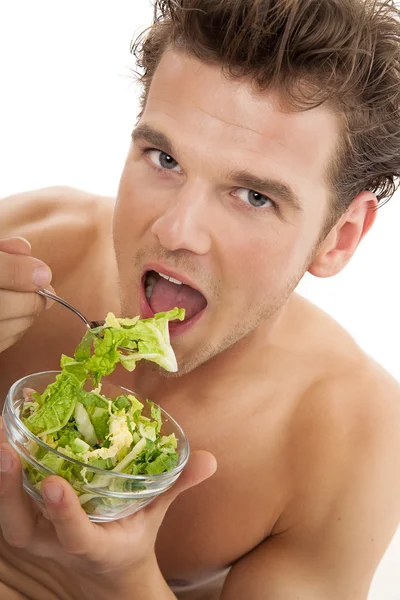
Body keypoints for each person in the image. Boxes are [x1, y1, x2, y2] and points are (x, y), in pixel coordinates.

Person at [1, 0, 400, 598]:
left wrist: (122, 579)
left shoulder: (350, 438)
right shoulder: (32, 242)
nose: (176, 230)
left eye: (253, 196)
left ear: (339, 237)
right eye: (165, 159)